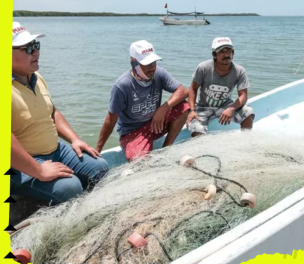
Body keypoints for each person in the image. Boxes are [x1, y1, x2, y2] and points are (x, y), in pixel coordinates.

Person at [11, 22, 109, 205]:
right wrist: (39, 171)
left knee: (100, 167)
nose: (36, 52)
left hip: (56, 149)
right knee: (70, 188)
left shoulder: (36, 77)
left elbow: (52, 112)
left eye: (36, 45)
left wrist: (75, 139)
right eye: (28, 48)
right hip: (20, 165)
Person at [96, 40, 189, 161]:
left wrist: (162, 109)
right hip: (133, 132)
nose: (152, 68)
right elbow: (110, 120)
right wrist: (98, 149)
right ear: (134, 62)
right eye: (147, 64)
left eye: (154, 62)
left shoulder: (159, 72)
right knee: (140, 161)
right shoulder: (122, 85)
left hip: (155, 122)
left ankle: (167, 148)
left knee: (183, 107)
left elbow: (183, 91)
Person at [186, 37, 254, 136]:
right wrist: (191, 110)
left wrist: (231, 109)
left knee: (248, 112)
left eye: (229, 51)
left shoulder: (239, 71)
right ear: (214, 54)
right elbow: (193, 88)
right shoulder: (204, 67)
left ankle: (246, 140)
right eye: (222, 51)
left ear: (233, 53)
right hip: (202, 107)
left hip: (225, 105)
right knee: (196, 128)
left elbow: (243, 96)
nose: (226, 55)